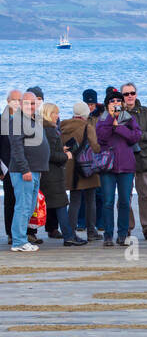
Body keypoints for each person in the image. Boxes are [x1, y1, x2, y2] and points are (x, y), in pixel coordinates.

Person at [95, 88, 142, 247]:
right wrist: (111, 121)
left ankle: (122, 234)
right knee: (107, 201)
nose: (115, 104)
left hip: (126, 166)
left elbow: (135, 137)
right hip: (108, 166)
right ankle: (108, 235)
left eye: (118, 101)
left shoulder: (128, 118)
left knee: (124, 202)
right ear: (107, 104)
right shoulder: (102, 118)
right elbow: (101, 138)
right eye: (112, 101)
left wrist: (119, 127)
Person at [39, 102, 87, 246]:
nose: (57, 116)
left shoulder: (43, 129)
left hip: (48, 174)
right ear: (48, 114)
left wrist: (62, 148)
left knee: (56, 205)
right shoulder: (50, 130)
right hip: (53, 174)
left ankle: (68, 235)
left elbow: (49, 150)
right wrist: (66, 156)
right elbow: (50, 155)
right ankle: (69, 236)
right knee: (61, 205)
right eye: (55, 113)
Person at [121, 83, 147, 241]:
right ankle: (126, 227)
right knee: (125, 197)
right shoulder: (118, 113)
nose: (130, 96)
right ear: (122, 96)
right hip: (124, 160)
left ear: (136, 94)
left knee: (146, 196)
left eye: (132, 93)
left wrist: (140, 136)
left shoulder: (145, 112)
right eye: (126, 94)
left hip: (144, 159)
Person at [7, 91, 48, 252]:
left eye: (33, 103)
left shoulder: (32, 119)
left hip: (35, 170)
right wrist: (25, 169)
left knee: (29, 207)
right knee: (23, 206)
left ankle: (21, 239)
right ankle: (18, 241)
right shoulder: (17, 121)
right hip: (23, 171)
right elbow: (17, 148)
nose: (31, 106)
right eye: (27, 103)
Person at [62, 101, 101, 239]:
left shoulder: (63, 126)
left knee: (74, 201)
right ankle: (91, 232)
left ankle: (70, 232)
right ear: (86, 113)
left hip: (71, 169)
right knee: (91, 201)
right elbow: (96, 147)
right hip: (87, 167)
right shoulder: (87, 126)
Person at [1, 89, 22, 245]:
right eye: (14, 99)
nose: (16, 102)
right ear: (8, 101)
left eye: (19, 100)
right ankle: (10, 233)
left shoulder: (26, 119)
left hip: (24, 166)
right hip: (7, 167)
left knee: (24, 201)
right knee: (10, 201)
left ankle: (24, 232)